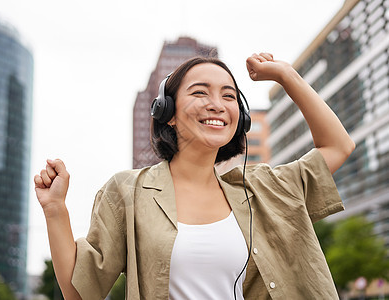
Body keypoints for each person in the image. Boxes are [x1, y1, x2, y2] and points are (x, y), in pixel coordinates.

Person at [34, 53, 355, 300]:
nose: (217, 104)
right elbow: (80, 292)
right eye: (201, 93)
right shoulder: (128, 191)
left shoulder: (264, 188)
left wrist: (286, 75)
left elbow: (338, 146)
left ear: (240, 117)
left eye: (229, 96)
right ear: (167, 113)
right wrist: (55, 209)